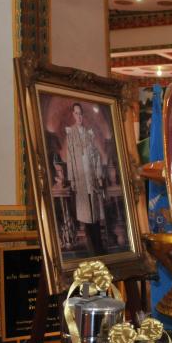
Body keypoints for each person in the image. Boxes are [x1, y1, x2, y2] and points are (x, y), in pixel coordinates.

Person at [64, 102, 106, 256]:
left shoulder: (89, 134)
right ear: (73, 115)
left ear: (83, 115)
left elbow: (95, 156)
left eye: (80, 113)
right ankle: (92, 249)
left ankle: (99, 247)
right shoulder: (70, 134)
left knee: (95, 213)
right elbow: (70, 158)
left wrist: (99, 175)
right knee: (86, 215)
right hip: (81, 179)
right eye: (76, 113)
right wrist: (72, 179)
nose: (79, 116)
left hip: (92, 178)